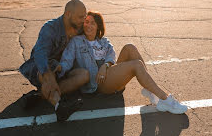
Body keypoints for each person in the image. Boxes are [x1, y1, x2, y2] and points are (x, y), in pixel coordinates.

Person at [56, 11, 188, 114]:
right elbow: (66, 60)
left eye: (92, 23)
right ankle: (165, 99)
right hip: (98, 82)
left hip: (108, 75)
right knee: (136, 65)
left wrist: (105, 65)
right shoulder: (77, 41)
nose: (88, 25)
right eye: (86, 22)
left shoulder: (103, 41)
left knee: (130, 47)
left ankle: (150, 90)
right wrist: (58, 70)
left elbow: (111, 55)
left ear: (98, 27)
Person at [19, 0, 89, 119]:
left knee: (84, 75)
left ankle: (41, 96)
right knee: (48, 71)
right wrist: (49, 76)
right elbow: (40, 55)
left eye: (85, 16)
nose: (83, 20)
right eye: (80, 17)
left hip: (64, 68)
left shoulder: (80, 27)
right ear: (68, 14)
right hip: (43, 68)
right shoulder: (50, 28)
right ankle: (59, 107)